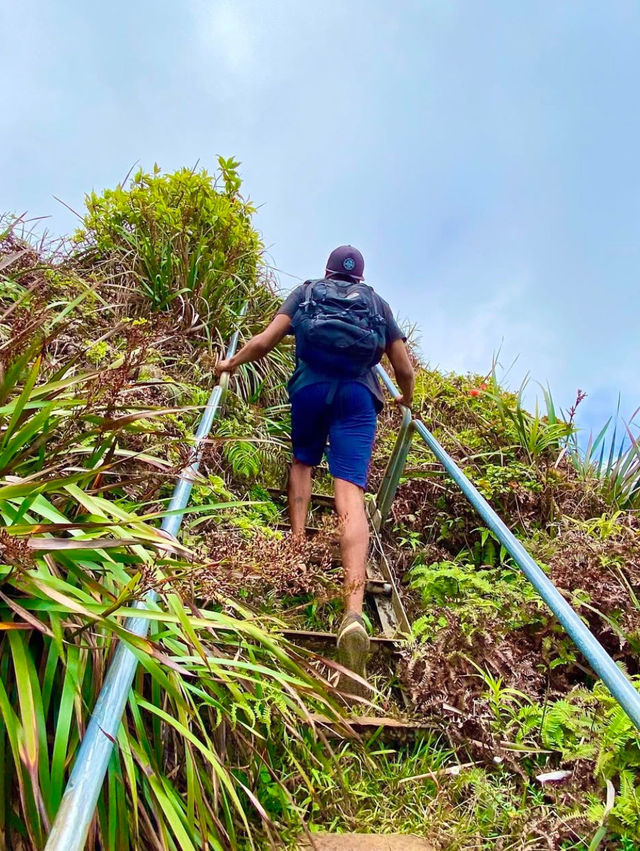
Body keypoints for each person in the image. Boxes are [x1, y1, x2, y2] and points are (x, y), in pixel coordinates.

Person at [215, 246, 414, 679]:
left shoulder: (306, 292)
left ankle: (297, 545)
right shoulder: (377, 304)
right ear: (360, 278)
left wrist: (229, 363)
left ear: (327, 272)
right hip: (359, 397)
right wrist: (405, 400)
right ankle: (354, 612)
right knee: (350, 494)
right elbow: (404, 368)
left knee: (303, 463)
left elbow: (265, 342)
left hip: (309, 388)